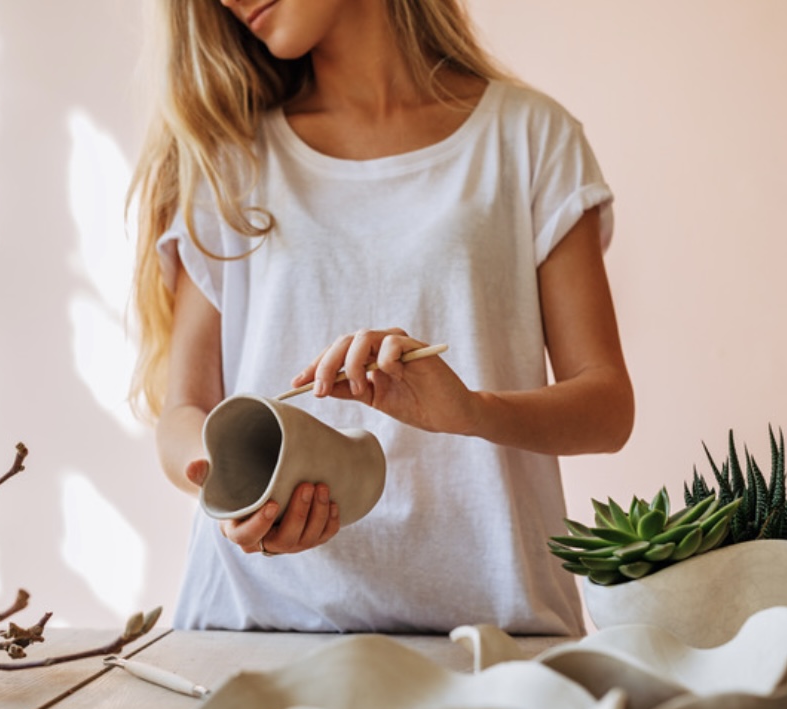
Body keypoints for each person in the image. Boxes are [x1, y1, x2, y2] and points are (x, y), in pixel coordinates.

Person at [128, 0, 634, 635]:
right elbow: (184, 413)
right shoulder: (227, 160)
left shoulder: (530, 138)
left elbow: (608, 408)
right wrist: (230, 481)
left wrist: (472, 410)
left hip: (491, 639)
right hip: (251, 632)